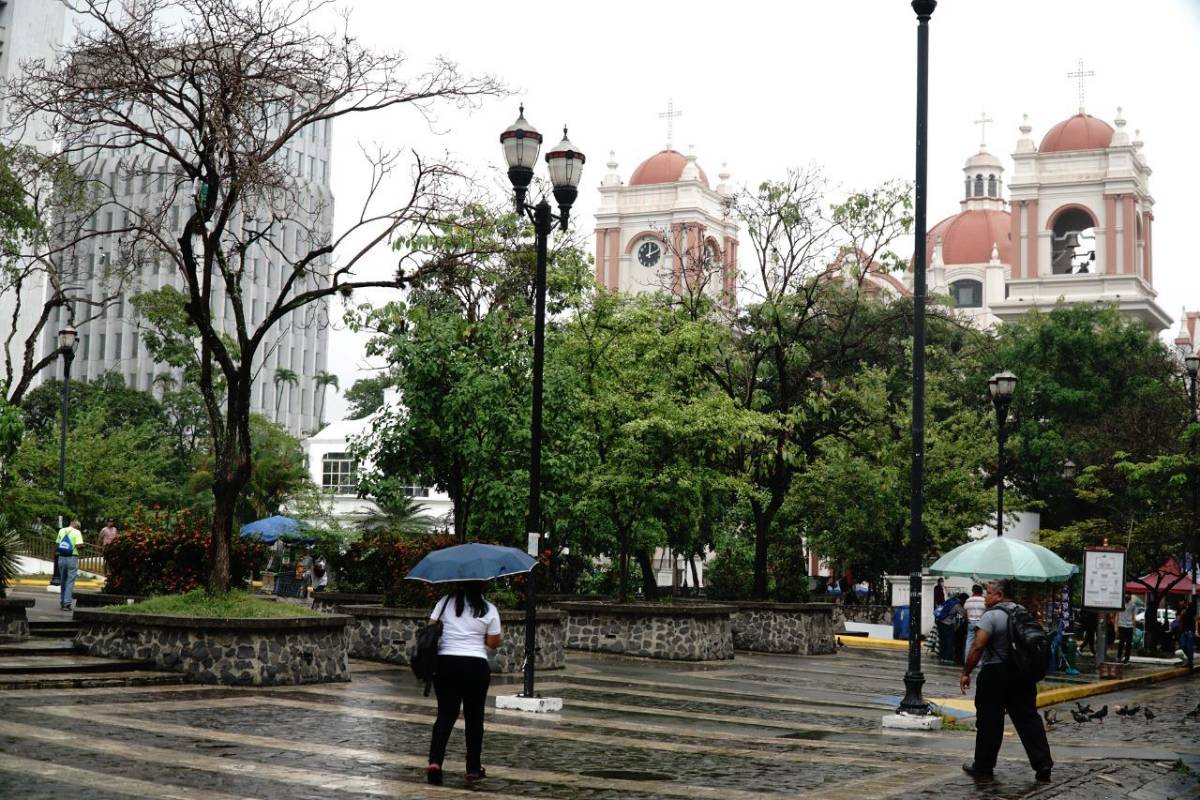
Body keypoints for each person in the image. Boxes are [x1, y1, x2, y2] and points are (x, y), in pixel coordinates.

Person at [960, 579, 1053, 783]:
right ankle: (1043, 764)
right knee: (1028, 719)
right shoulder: (1023, 612)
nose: (986, 597)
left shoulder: (991, 616)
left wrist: (966, 672)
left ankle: (983, 766)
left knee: (989, 721)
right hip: (1022, 674)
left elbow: (978, 646)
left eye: (989, 593)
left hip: (995, 673)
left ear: (1000, 595)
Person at [426, 581, 502, 786]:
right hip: (476, 666)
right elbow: (493, 643)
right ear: (482, 586)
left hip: (446, 664)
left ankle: (435, 762)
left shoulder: (444, 602)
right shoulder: (489, 609)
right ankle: (473, 768)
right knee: (474, 718)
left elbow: (431, 627)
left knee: (445, 715)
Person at [55, 520, 84, 611]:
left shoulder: (61, 530)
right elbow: (79, 545)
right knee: (70, 581)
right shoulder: (77, 532)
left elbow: (58, 544)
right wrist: (82, 547)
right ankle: (67, 604)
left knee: (63, 580)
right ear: (77, 526)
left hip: (61, 557)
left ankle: (62, 602)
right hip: (72, 558)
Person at [964, 584, 986, 657]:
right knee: (980, 642)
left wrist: (968, 620)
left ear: (973, 591)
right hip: (981, 623)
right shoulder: (984, 600)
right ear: (981, 592)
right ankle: (979, 661)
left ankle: (967, 659)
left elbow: (965, 612)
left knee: (969, 642)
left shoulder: (968, 600)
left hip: (970, 622)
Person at [1116, 593, 1137, 664]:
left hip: (1129, 626)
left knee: (1128, 643)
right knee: (1121, 642)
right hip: (1122, 625)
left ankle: (1126, 658)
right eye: (1126, 595)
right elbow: (1117, 615)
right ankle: (1119, 657)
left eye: (1129, 595)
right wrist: (1116, 627)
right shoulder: (1121, 605)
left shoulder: (1133, 605)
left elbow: (1133, 617)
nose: (1127, 596)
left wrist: (1134, 628)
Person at [1177, 600, 1195, 670]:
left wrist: (1187, 609)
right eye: (1179, 603)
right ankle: (1188, 660)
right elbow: (1178, 620)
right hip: (1183, 631)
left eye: (1181, 602)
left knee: (1189, 647)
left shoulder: (1191, 608)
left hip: (1190, 631)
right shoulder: (1179, 610)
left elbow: (1194, 616)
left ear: (1185, 603)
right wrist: (1181, 614)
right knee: (1183, 646)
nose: (1180, 604)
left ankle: (1190, 662)